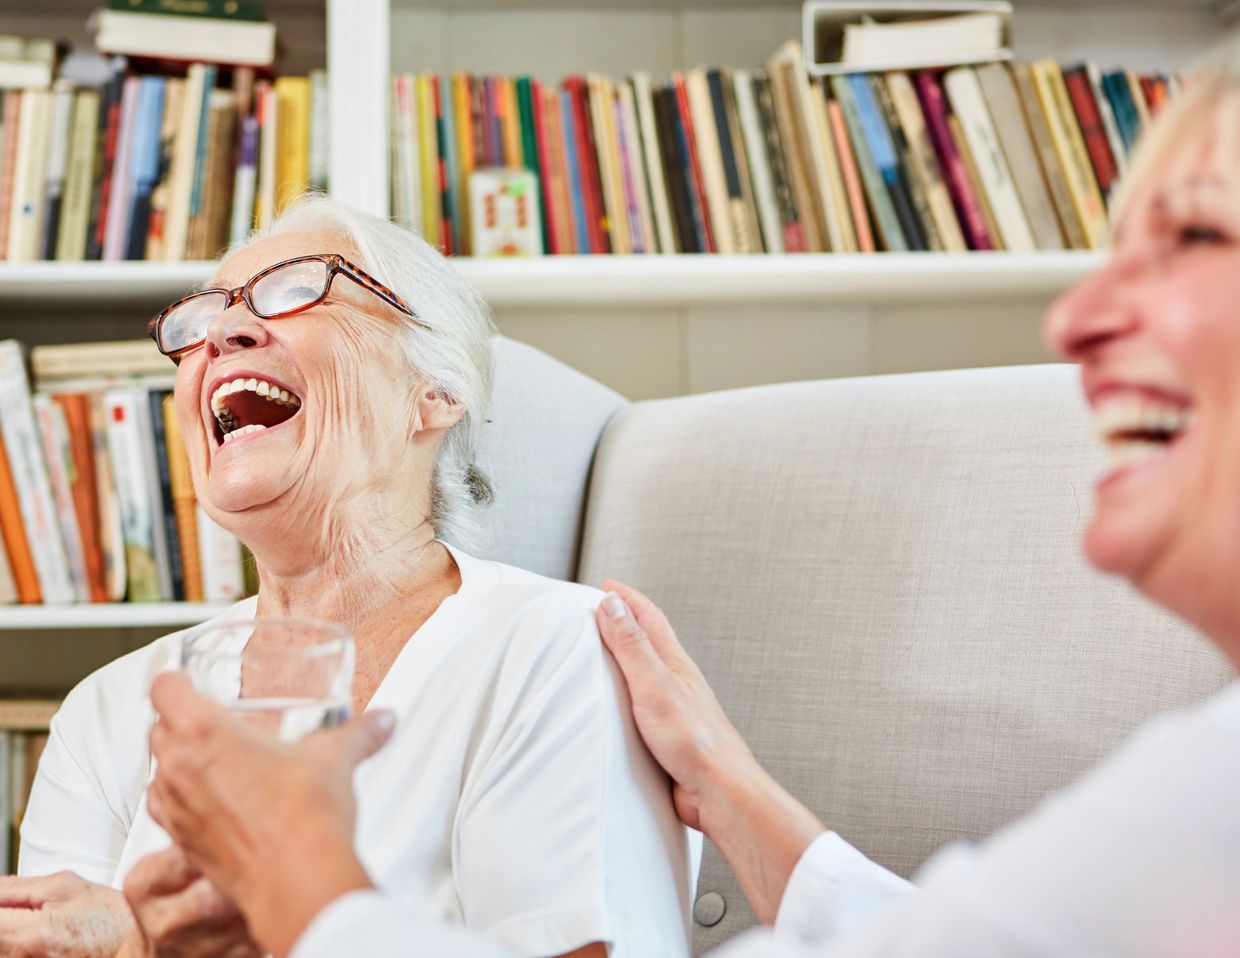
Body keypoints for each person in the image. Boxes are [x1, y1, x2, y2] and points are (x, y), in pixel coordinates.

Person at [137, 32, 1240, 958]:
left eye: (1194, 237)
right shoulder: (1202, 784)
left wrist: (300, 884)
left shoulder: (542, 642)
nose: (1078, 320)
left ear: (441, 396)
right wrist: (732, 793)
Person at [0, 197, 693, 958]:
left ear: (436, 392)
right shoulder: (106, 710)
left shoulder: (556, 650)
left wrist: (140, 945)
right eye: (197, 323)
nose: (222, 334)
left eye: (297, 288)